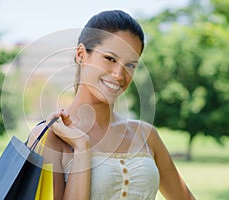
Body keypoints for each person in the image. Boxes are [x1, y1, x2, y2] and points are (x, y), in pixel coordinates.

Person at [28, 10, 195, 200]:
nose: (119, 74)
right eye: (110, 58)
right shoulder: (50, 137)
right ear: (82, 55)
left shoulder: (146, 135)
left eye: (131, 65)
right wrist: (82, 147)